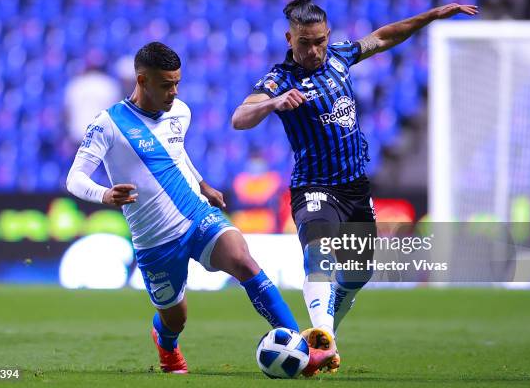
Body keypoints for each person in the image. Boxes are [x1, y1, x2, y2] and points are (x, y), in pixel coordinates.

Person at [231, 0, 478, 372]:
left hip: (354, 188)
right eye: (304, 43)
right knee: (319, 253)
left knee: (358, 273)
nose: (313, 50)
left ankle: (326, 337)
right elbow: (239, 118)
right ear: (288, 38)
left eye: (319, 41)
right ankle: (321, 340)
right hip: (313, 187)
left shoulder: (340, 56)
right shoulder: (277, 80)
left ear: (327, 35)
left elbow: (382, 37)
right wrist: (274, 103)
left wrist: (430, 15)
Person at [66, 42, 334, 376]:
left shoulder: (180, 112)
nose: (174, 92)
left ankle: (303, 351)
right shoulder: (108, 124)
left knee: (244, 261)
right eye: (166, 85)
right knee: (175, 318)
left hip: (195, 215)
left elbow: (176, 154)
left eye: (177, 83)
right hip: (155, 240)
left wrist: (202, 183)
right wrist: (105, 195)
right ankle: (166, 341)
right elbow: (74, 178)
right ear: (142, 80)